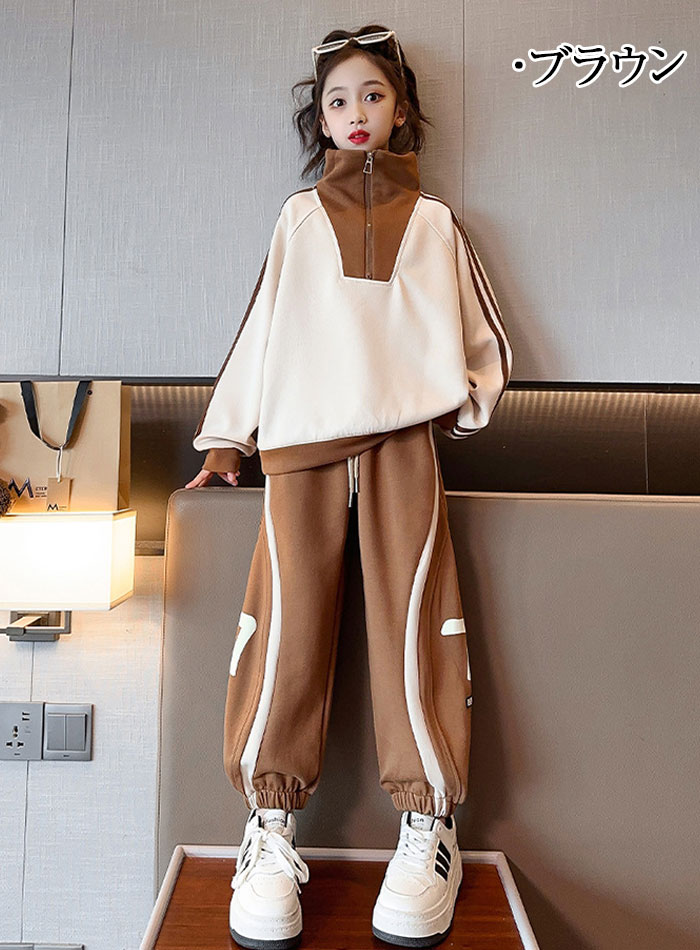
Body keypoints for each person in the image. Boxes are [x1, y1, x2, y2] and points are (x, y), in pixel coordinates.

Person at [185, 24, 513, 950]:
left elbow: (484, 338)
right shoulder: (297, 217)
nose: (356, 112)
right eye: (338, 100)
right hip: (300, 445)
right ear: (321, 122)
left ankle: (428, 826)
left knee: (417, 621)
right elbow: (262, 326)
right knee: (286, 622)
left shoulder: (437, 222)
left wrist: (464, 404)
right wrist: (226, 438)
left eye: (372, 95)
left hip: (404, 443)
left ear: (401, 110)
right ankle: (269, 826)